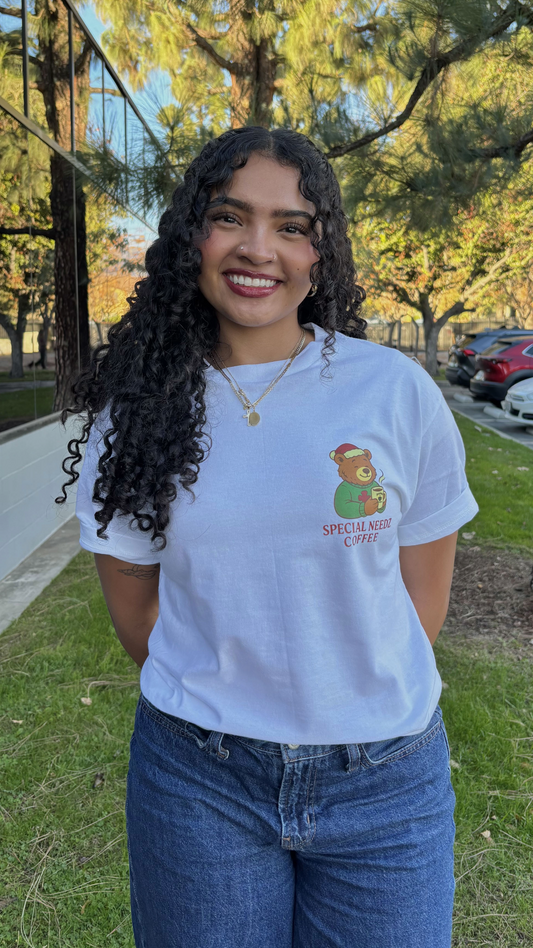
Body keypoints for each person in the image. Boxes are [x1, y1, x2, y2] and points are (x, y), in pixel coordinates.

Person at [59, 126, 478, 948]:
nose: (259, 249)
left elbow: (419, 601)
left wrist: (341, 691)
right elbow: (140, 624)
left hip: (386, 781)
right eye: (230, 216)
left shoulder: (393, 390)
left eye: (292, 226)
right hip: (198, 782)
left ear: (322, 252)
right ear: (191, 235)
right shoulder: (135, 416)